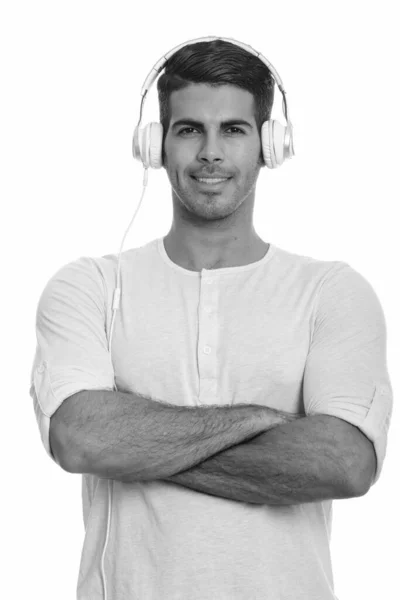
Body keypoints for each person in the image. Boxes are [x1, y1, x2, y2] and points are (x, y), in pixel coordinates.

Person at [30, 39, 393, 600]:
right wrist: (267, 421)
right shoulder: (92, 287)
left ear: (271, 145)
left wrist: (135, 446)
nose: (210, 153)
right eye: (189, 129)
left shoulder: (332, 292)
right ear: (155, 144)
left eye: (234, 130)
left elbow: (344, 463)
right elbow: (80, 440)